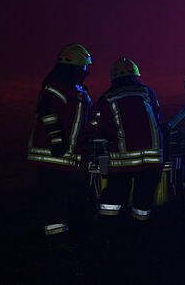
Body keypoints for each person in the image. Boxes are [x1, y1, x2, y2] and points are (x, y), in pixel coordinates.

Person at [27, 43, 93, 242]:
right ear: (76, 67)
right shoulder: (56, 86)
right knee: (54, 197)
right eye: (83, 68)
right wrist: (57, 140)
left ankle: (57, 235)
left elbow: (76, 119)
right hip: (52, 153)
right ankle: (56, 241)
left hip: (63, 154)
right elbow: (47, 112)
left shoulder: (72, 88)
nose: (85, 72)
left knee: (58, 196)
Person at [89, 58, 164, 230]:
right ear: (136, 75)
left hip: (123, 159)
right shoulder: (147, 91)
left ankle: (107, 230)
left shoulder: (107, 98)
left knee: (114, 197)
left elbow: (97, 125)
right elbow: (157, 114)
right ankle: (140, 231)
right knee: (143, 198)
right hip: (153, 158)